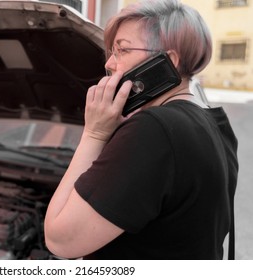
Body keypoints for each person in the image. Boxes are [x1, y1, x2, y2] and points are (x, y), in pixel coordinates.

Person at [44, 0, 238, 260]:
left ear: (168, 61)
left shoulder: (154, 129)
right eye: (111, 51)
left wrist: (94, 133)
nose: (110, 63)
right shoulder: (214, 123)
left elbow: (60, 240)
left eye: (122, 50)